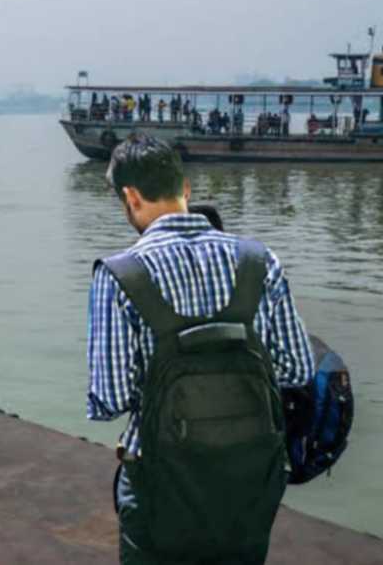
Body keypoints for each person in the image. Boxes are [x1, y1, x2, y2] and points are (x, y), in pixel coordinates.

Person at [87, 134, 314, 564]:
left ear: (130, 197)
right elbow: (298, 368)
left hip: (160, 479)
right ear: (185, 188)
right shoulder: (260, 261)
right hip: (248, 476)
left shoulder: (118, 277)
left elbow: (109, 399)